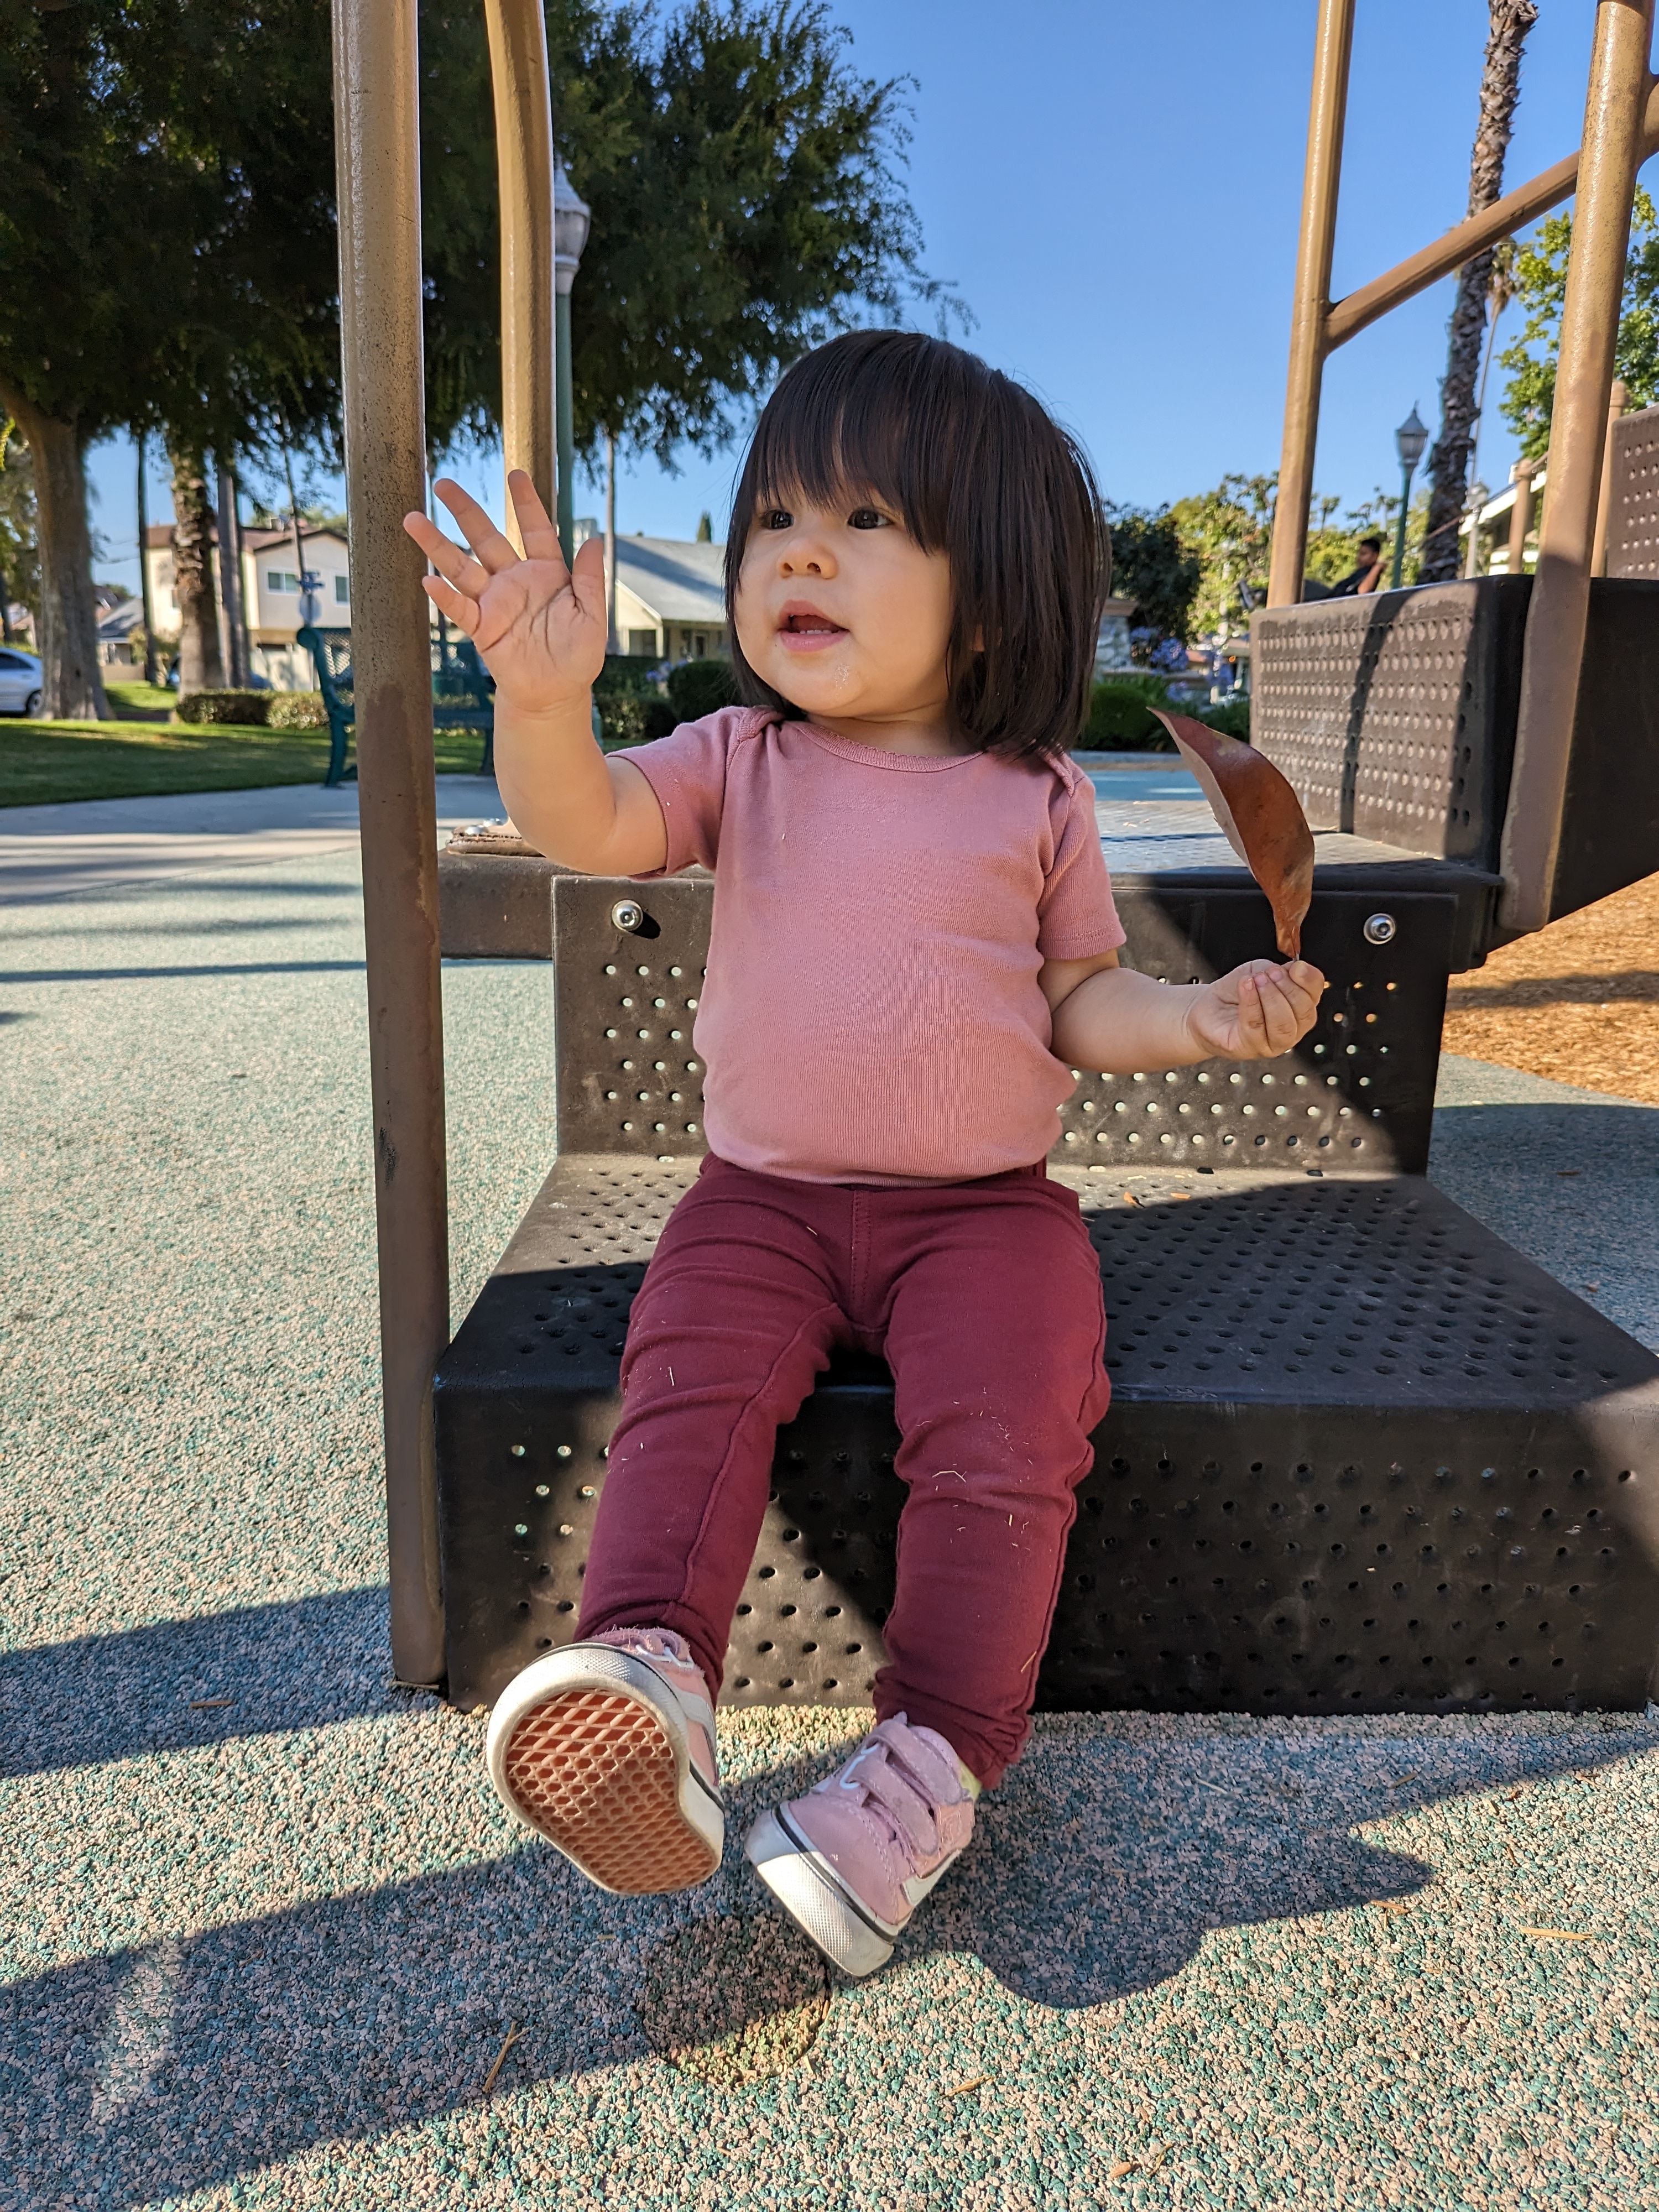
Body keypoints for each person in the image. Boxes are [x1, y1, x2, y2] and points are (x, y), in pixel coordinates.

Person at [404, 332, 1326, 1979]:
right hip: (756, 1197)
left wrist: (1200, 1020)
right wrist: (540, 705)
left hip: (983, 1216)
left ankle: (929, 1767)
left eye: (870, 517)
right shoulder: (739, 759)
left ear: (992, 596)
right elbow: (592, 823)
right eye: (778, 517)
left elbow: (1072, 999)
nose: (799, 550)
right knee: (687, 1381)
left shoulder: (1031, 795)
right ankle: (652, 1680)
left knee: (1007, 1431)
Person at [1327, 533, 1386, 597]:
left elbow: (1363, 591)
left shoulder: (1371, 574)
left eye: (1363, 554)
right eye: (1359, 554)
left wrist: (1377, 568)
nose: (1359, 558)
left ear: (1375, 556)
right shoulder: (1358, 574)